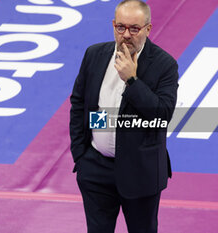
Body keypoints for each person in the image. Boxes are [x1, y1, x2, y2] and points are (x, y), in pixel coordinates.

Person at [69, 0, 179, 232]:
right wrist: (82, 155)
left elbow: (161, 116)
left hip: (141, 173)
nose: (126, 35)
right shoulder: (94, 55)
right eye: (121, 27)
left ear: (148, 29)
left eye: (134, 29)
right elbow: (80, 104)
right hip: (96, 169)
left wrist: (132, 80)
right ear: (113, 25)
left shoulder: (164, 65)